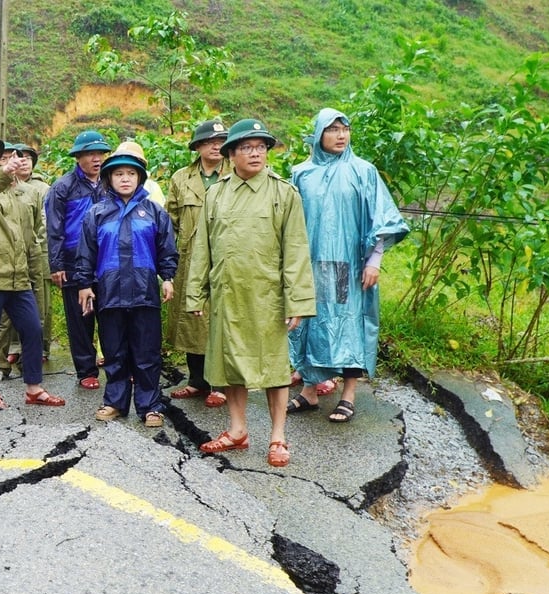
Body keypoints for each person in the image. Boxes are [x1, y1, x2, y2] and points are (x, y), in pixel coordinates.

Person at [185, 118, 315, 468]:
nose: (255, 153)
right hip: (227, 296)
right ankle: (237, 430)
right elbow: (203, 248)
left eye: (261, 147)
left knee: (274, 368)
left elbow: (296, 250)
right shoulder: (217, 194)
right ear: (231, 154)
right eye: (247, 147)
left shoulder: (283, 193)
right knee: (230, 364)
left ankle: (278, 437)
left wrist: (297, 301)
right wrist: (196, 293)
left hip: (267, 298)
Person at [287, 108, 409, 423]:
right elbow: (287, 218)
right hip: (311, 264)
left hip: (348, 265)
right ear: (318, 135)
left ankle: (348, 395)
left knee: (349, 325)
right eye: (332, 129)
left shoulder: (362, 171)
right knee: (311, 323)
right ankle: (310, 391)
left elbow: (381, 217)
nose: (341, 135)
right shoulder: (302, 173)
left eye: (345, 129)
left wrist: (375, 260)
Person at [0, 131, 65, 410]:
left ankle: (34, 387)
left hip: (19, 276)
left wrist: (33, 269)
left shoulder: (17, 190)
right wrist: (4, 173)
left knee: (33, 329)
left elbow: (30, 233)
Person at [74, 146, 178, 428]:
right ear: (109, 178)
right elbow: (85, 252)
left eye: (131, 173)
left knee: (147, 353)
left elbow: (166, 249)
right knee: (114, 351)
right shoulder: (97, 213)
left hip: (145, 292)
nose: (125, 179)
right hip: (110, 293)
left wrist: (168, 278)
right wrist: (84, 284)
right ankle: (115, 402)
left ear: (139, 178)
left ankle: (150, 406)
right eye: (118, 173)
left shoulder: (154, 212)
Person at [165, 119, 230, 408]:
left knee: (222, 319)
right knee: (193, 319)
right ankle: (197, 381)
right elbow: (169, 222)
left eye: (221, 141)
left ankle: (221, 384)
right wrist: (168, 262)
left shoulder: (235, 174)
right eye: (209, 142)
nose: (216, 146)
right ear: (198, 146)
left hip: (225, 257)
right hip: (190, 259)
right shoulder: (181, 178)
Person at [46, 130, 110, 390]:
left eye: (100, 154)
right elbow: (54, 228)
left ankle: (117, 365)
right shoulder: (63, 187)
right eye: (90, 154)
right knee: (80, 318)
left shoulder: (109, 182)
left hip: (106, 259)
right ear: (78, 157)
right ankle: (86, 370)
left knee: (110, 315)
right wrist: (57, 264)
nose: (97, 159)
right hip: (74, 261)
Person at [0, 142, 49, 377]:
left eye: (14, 157)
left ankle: (31, 364)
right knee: (3, 318)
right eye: (4, 158)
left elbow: (38, 227)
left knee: (36, 313)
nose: (12, 162)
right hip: (3, 261)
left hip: (31, 257)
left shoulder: (32, 191)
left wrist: (36, 256)